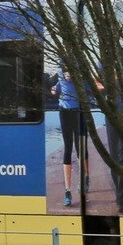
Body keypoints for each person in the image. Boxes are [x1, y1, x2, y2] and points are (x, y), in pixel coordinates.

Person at [52, 67, 85, 208]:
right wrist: (53, 90)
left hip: (77, 111)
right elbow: (57, 86)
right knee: (68, 148)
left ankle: (82, 180)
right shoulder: (60, 69)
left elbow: (88, 85)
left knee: (79, 149)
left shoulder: (79, 70)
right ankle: (67, 191)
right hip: (64, 111)